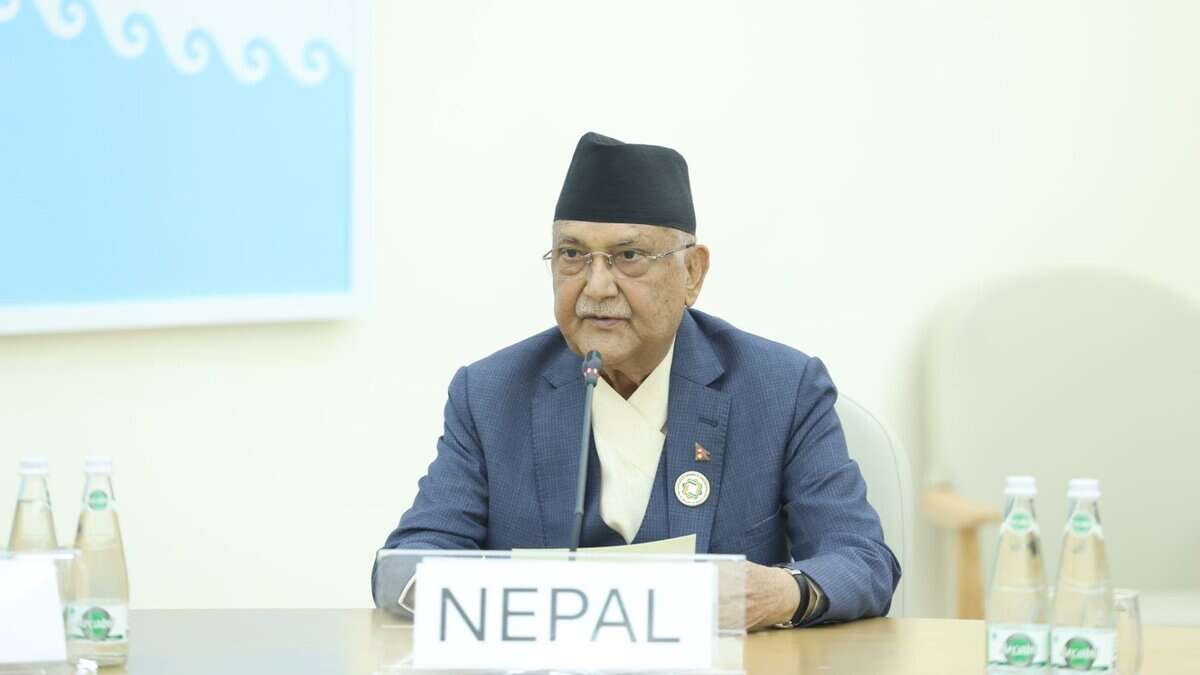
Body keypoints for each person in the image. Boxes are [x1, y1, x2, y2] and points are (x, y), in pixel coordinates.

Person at [373, 132, 900, 629]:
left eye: (629, 257)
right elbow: (405, 565)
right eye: (573, 255)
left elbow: (862, 560)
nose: (597, 286)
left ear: (692, 273)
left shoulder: (780, 389)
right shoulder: (491, 393)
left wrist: (779, 592)